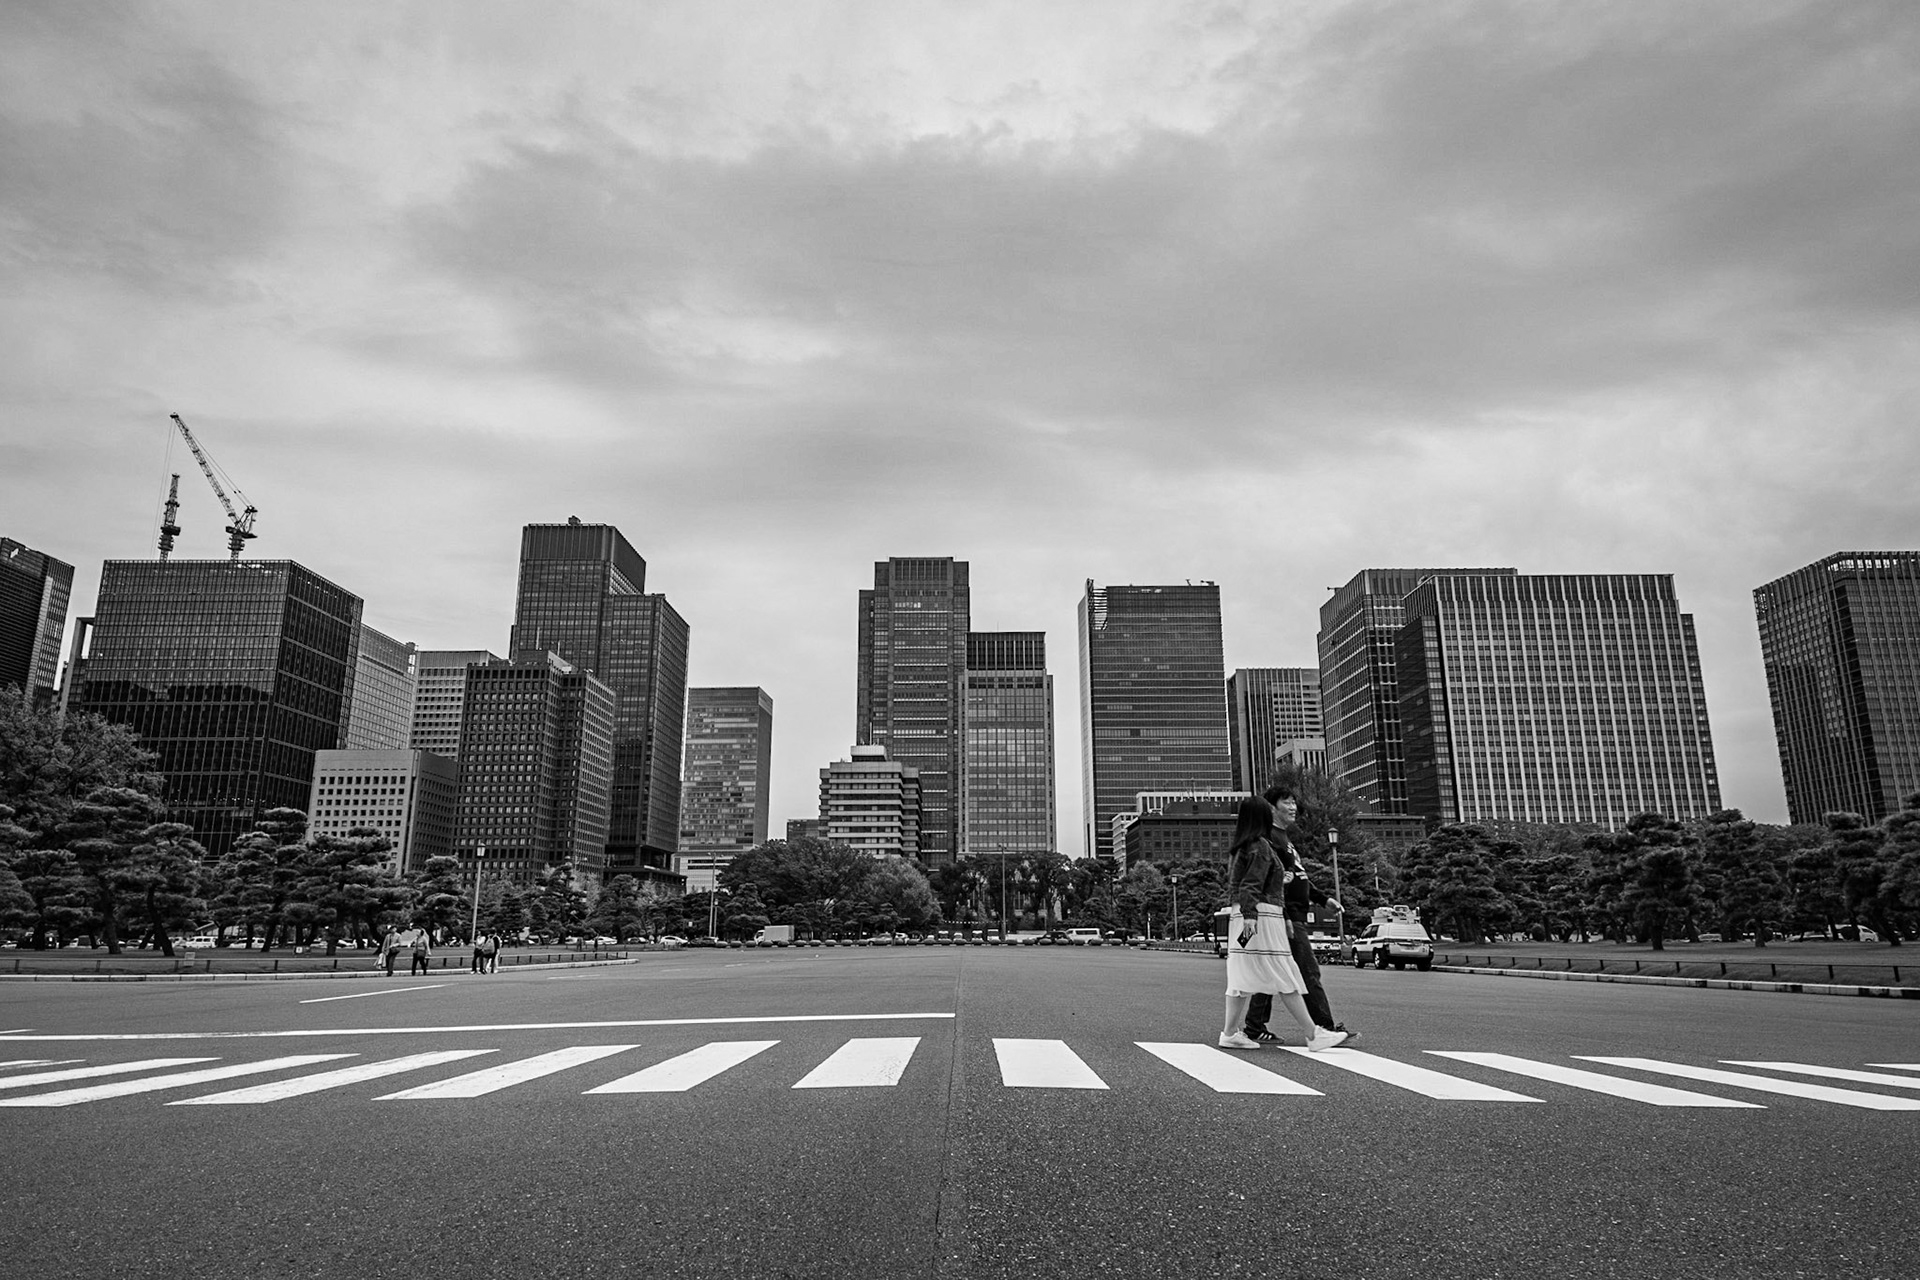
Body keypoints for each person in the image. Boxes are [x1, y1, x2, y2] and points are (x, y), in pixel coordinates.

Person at [1219, 795, 1348, 1053]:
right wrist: (1252, 916)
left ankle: (1230, 1032)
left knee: (1241, 972)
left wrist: (1279, 882)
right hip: (1263, 916)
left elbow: (1247, 884)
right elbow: (1251, 885)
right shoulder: (1260, 846)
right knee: (1284, 971)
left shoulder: (1243, 846)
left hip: (1244, 917)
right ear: (1261, 816)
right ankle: (1313, 1034)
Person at [1243, 783, 1360, 1045]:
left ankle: (1254, 1026)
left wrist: (1323, 899)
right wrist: (1284, 916)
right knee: (1308, 971)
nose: (1293, 807)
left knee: (1271, 972)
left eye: (1294, 802)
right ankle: (1325, 1027)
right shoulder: (1269, 838)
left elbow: (1298, 877)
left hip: (1290, 914)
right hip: (1286, 916)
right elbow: (1268, 882)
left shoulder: (1285, 839)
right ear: (1271, 807)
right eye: (1287, 802)